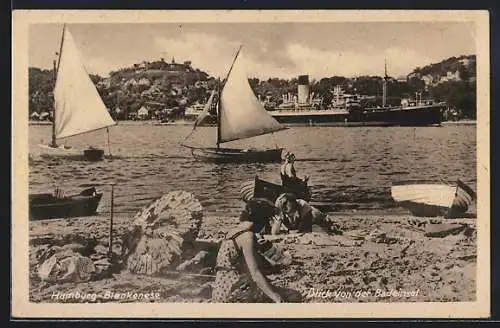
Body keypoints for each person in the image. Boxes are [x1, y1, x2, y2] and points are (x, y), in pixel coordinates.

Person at [211, 197, 301, 303]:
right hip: (233, 292)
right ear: (261, 221)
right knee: (293, 295)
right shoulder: (248, 237)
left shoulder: (232, 232)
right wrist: (275, 296)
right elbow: (255, 273)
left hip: (220, 291)